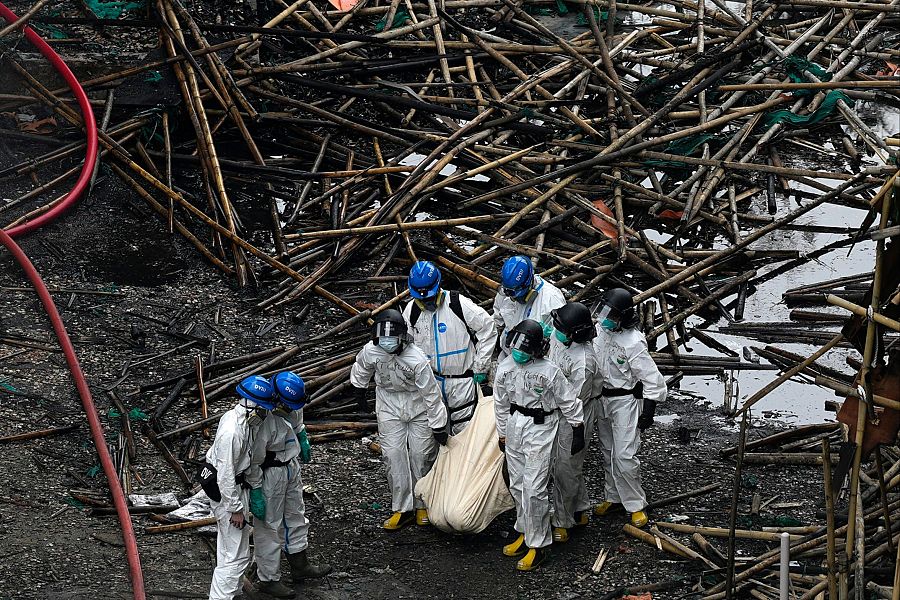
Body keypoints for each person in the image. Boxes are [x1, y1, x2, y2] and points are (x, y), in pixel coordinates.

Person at [494, 319, 584, 571]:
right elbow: (500, 403)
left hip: (541, 425)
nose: (518, 351)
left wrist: (577, 427)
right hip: (516, 422)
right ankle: (524, 531)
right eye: (516, 345)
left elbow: (568, 400)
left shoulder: (549, 371)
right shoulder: (506, 367)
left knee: (534, 487)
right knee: (517, 484)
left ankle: (539, 544)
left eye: (525, 347)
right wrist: (502, 434)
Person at [350, 309, 449, 530]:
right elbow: (361, 368)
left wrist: (438, 425)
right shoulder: (371, 351)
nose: (386, 342)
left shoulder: (416, 359)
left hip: (418, 406)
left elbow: (431, 394)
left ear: (402, 337)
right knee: (393, 455)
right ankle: (402, 508)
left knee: (421, 455)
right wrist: (359, 391)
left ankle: (423, 504)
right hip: (388, 404)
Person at [246, 372, 331, 599]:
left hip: (290, 465)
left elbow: (298, 421)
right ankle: (268, 579)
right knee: (269, 526)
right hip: (270, 471)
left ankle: (300, 564)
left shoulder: (294, 401)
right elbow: (253, 459)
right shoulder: (261, 417)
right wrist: (255, 489)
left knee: (296, 515)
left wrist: (302, 437)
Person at [592, 288, 667, 528]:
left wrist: (649, 409)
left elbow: (652, 378)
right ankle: (613, 496)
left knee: (624, 455)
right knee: (608, 450)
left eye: (610, 315)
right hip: (602, 398)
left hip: (625, 400)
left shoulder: (633, 342)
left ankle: (635, 504)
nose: (604, 318)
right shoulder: (600, 331)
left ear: (622, 317)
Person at [403, 260, 497, 436]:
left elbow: (488, 328)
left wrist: (481, 366)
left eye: (429, 297)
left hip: (462, 382)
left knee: (464, 433)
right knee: (433, 434)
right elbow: (407, 347)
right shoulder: (411, 311)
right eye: (422, 299)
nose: (426, 302)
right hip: (431, 383)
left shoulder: (457, 304)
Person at [203, 375, 275, 600]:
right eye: (263, 409)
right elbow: (225, 475)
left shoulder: (245, 424)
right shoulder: (232, 432)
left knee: (231, 549)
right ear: (251, 406)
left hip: (236, 486)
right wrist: (235, 509)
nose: (265, 414)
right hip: (228, 490)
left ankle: (232, 593)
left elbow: (249, 458)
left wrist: (255, 488)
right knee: (235, 555)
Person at [546, 302, 598, 543]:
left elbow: (575, 400)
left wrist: (577, 430)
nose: (556, 331)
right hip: (556, 406)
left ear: (574, 334)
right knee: (563, 464)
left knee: (566, 467)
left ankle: (562, 521)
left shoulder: (584, 361)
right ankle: (580, 508)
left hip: (576, 412)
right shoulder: (561, 337)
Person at [492, 256, 565, 359]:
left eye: (518, 295)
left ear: (529, 283)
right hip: (507, 356)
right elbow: (497, 321)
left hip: (534, 361)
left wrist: (549, 335)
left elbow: (560, 343)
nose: (514, 298)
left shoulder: (551, 300)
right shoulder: (507, 292)